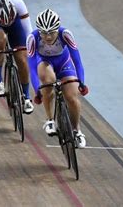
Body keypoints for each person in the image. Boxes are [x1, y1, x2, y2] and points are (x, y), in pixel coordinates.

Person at [27, 9, 89, 148]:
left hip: (64, 63)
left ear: (57, 29)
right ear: (39, 31)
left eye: (51, 33)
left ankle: (77, 130)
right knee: (47, 82)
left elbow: (77, 60)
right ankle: (50, 119)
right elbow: (31, 67)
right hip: (44, 62)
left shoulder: (65, 34)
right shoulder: (32, 38)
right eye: (44, 33)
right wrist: (37, 90)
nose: (48, 37)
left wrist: (81, 82)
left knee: (72, 97)